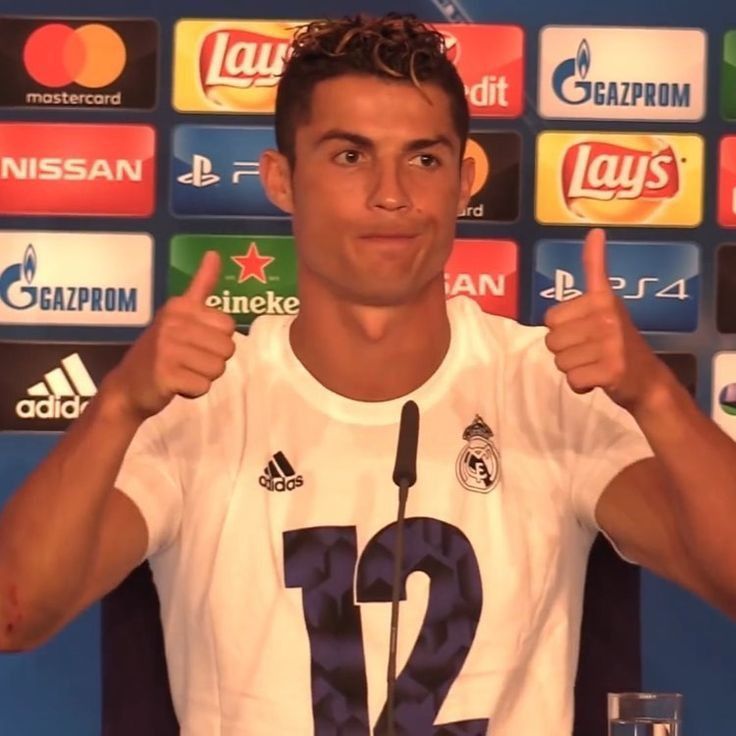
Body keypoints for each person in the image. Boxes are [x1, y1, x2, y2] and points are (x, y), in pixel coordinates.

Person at [1, 12, 735, 736]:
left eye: (423, 158)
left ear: (463, 179)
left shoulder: (544, 386)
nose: (392, 193)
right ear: (281, 180)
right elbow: (15, 613)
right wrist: (120, 403)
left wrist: (654, 397)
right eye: (349, 156)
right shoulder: (202, 397)